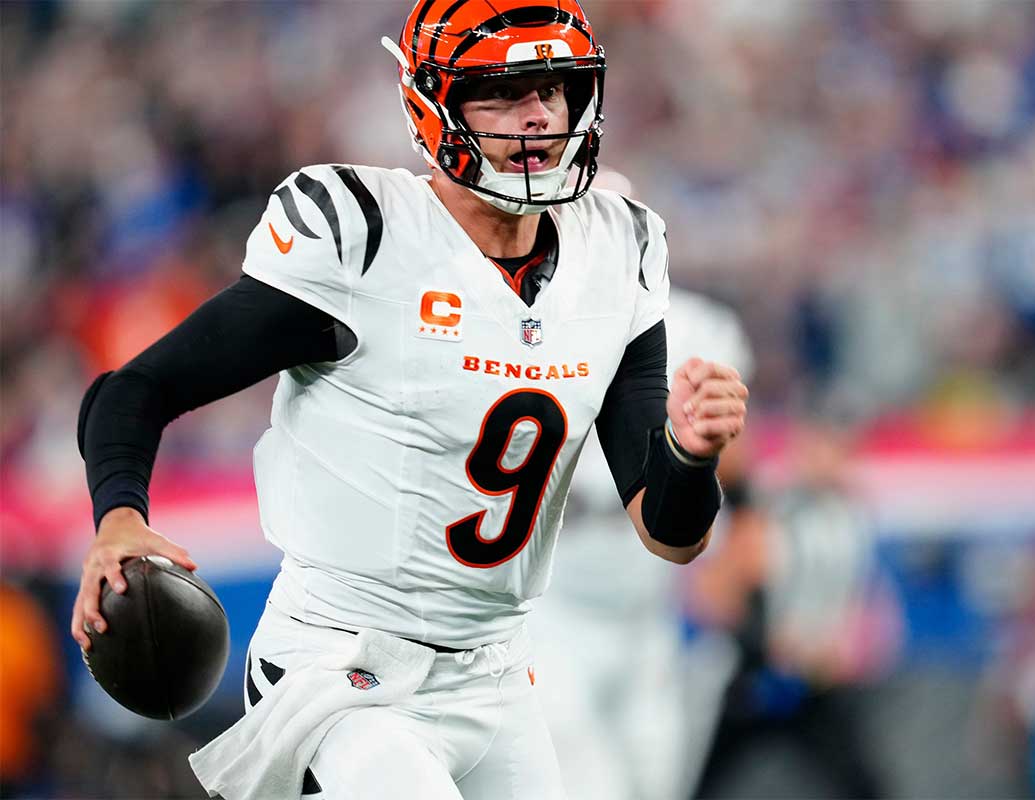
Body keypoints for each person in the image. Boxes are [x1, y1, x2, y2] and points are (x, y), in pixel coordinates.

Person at [68, 2, 748, 799]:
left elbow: (671, 535)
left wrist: (690, 454)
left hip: (497, 677)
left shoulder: (619, 249)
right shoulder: (365, 237)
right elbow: (136, 389)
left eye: (554, 89)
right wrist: (119, 517)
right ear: (435, 106)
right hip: (341, 668)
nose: (538, 115)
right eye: (501, 92)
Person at [530, 169, 761, 800]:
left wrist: (742, 547)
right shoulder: (514, 325)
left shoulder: (696, 330)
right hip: (547, 616)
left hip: (649, 619)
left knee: (658, 783)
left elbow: (734, 468)